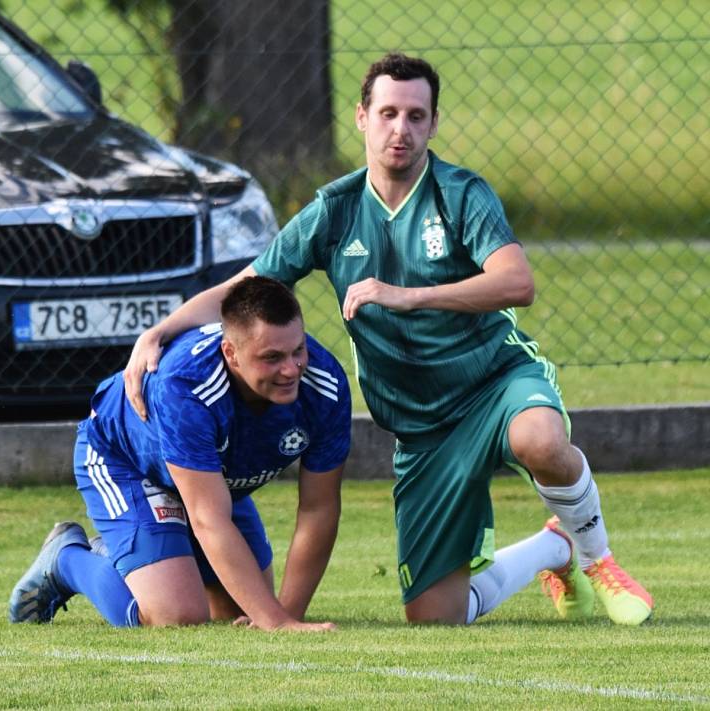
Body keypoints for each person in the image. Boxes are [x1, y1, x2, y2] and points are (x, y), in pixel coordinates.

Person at [123, 54, 653, 626]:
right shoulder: (333, 210)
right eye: (389, 113)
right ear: (362, 117)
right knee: (433, 617)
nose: (401, 128)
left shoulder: (461, 194)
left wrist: (407, 295)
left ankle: (599, 559)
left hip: (493, 385)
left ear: (433, 123)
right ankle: (557, 549)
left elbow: (517, 283)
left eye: (416, 116)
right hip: (422, 430)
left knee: (541, 439)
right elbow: (245, 290)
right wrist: (160, 329)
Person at [8, 276, 352, 631]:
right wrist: (275, 621)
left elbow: (319, 507)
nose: (291, 368)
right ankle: (67, 560)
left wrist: (286, 615)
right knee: (177, 615)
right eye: (271, 358)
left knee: (239, 608)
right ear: (230, 353)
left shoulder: (324, 384)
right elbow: (208, 518)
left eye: (298, 350)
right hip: (126, 461)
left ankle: (151, 557)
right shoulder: (186, 386)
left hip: (210, 480)